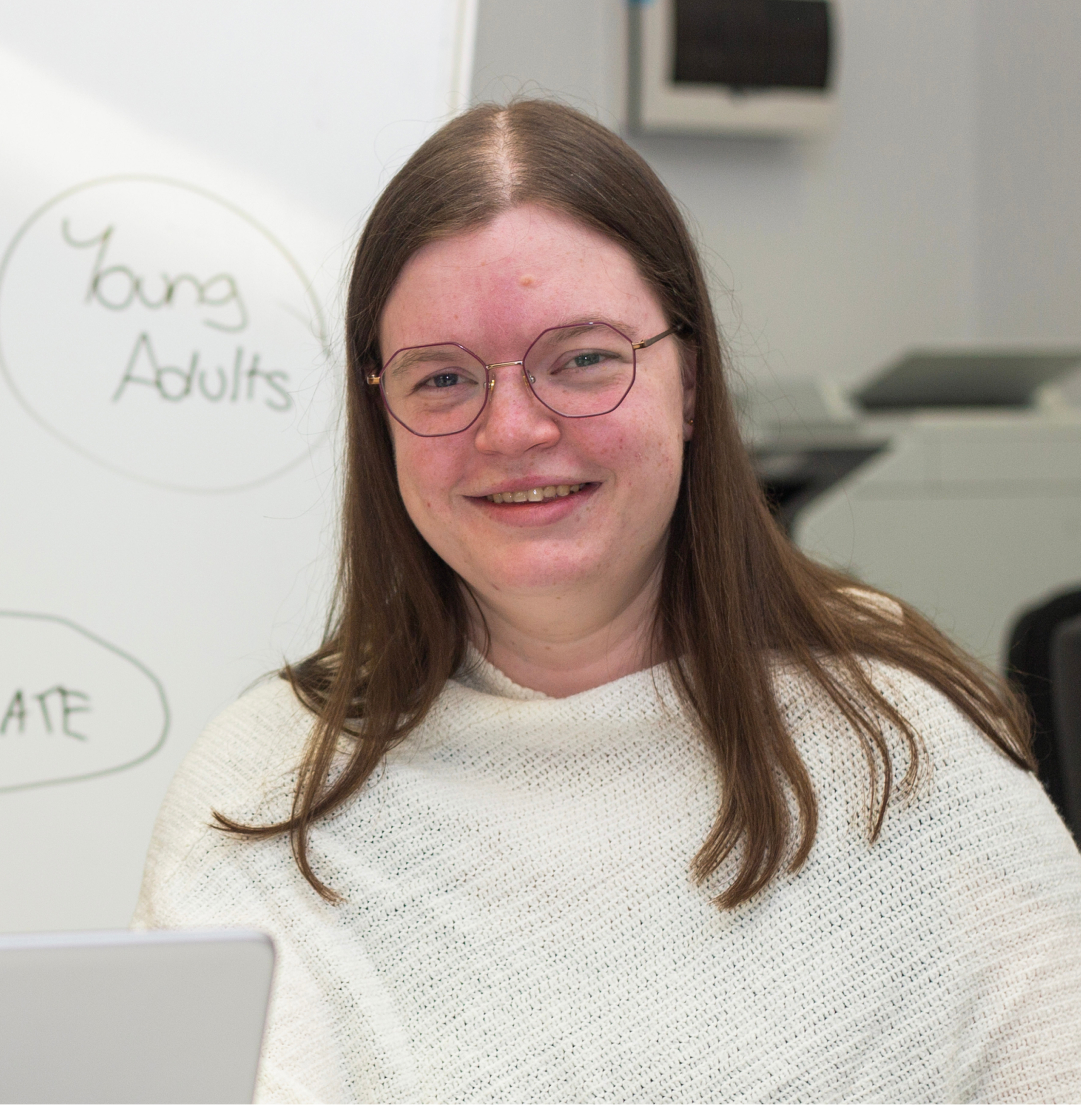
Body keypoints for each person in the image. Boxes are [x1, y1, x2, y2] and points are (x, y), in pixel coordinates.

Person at [133, 100, 1081, 1102]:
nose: (512, 429)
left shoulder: (891, 743)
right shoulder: (265, 788)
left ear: (689, 378)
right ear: (382, 416)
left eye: (582, 359)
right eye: (442, 378)